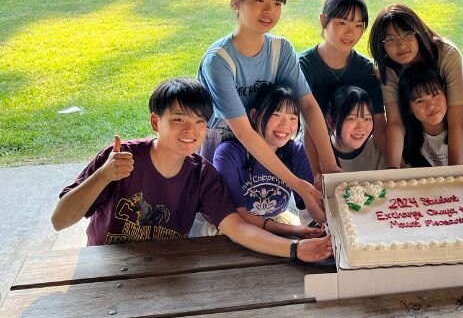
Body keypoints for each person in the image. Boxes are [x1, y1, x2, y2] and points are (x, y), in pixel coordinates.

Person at [50, 78, 332, 262]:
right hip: (105, 263)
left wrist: (295, 249)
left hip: (166, 270)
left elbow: (236, 229)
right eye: (178, 119)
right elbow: (60, 220)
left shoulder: (202, 175)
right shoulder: (121, 158)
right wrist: (104, 176)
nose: (190, 131)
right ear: (154, 122)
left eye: (199, 122)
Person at [197, 0, 338, 223]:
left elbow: (307, 104)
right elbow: (242, 132)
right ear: (236, 2)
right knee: (225, 219)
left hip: (264, 135)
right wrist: (297, 184)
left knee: (265, 214)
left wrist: (328, 166)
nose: (269, 11)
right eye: (259, 0)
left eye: (277, 3)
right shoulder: (218, 61)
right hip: (223, 145)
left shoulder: (280, 49)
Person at [212, 84, 324, 238]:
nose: (285, 125)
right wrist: (295, 230)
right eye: (276, 115)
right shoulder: (229, 154)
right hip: (232, 230)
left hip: (276, 222)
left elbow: (311, 202)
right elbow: (237, 215)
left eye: (293, 118)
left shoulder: (295, 151)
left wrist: (327, 223)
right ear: (254, 115)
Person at [369, 4, 463, 169]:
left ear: (418, 32)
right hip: (414, 128)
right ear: (382, 45)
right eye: (391, 39)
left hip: (450, 126)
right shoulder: (388, 68)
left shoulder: (447, 55)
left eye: (407, 35)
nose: (401, 45)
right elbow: (395, 122)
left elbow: (455, 122)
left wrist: (455, 174)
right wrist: (394, 168)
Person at [299, 0, 387, 170]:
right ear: (324, 21)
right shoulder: (303, 66)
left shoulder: (367, 70)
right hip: (312, 148)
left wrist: (398, 167)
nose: (350, 32)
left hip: (356, 148)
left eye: (358, 25)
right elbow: (308, 129)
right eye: (342, 23)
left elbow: (379, 126)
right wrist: (317, 174)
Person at [398, 64, 463, 167]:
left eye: (435, 95)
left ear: (445, 92)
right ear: (409, 107)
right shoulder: (402, 138)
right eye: (420, 101)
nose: (431, 105)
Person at [327, 85, 386, 172]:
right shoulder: (314, 153)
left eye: (367, 118)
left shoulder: (379, 148)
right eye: (351, 118)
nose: (361, 128)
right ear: (331, 122)